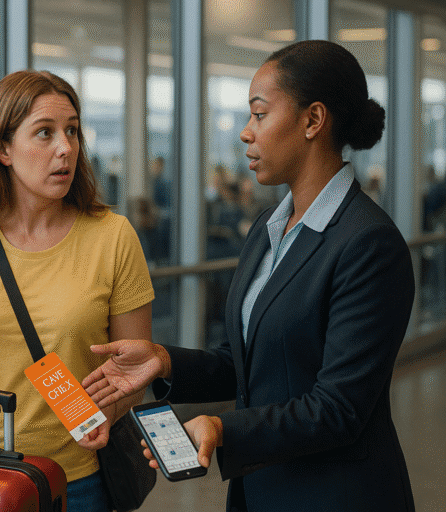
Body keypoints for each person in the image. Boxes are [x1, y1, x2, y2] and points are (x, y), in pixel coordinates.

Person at [82, 40, 415, 512]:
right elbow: (252, 361)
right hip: (261, 490)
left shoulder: (367, 243)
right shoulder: (270, 228)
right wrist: (164, 360)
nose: (244, 132)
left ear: (312, 120)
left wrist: (222, 428)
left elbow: (339, 408)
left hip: (334, 494)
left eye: (259, 114)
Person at [0, 70, 155, 512]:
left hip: (75, 480)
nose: (66, 147)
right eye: (44, 132)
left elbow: (133, 368)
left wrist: (113, 410)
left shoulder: (113, 237)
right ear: (3, 149)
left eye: (73, 131)